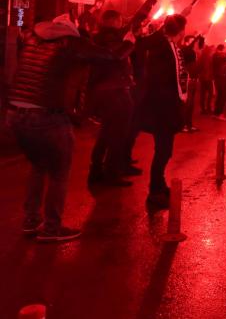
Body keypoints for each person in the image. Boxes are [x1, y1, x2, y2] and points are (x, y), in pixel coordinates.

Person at [8, 14, 134, 242]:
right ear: (70, 33)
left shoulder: (31, 38)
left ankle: (30, 221)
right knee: (59, 172)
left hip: (16, 114)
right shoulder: (69, 43)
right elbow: (111, 56)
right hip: (47, 115)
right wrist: (129, 42)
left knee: (38, 167)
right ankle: (51, 229)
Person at [87, 0, 159, 186]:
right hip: (116, 91)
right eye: (120, 21)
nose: (123, 24)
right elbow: (118, 55)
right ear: (114, 23)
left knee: (106, 132)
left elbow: (135, 20)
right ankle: (111, 172)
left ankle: (96, 171)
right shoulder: (111, 40)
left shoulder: (99, 37)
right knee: (117, 133)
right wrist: (130, 42)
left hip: (106, 91)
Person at [137, 15, 189, 210]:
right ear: (181, 31)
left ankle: (159, 185)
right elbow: (160, 80)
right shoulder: (163, 48)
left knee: (164, 151)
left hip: (166, 108)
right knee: (162, 151)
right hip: (162, 109)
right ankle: (154, 191)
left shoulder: (170, 48)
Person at [181, 34, 204, 133]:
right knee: (187, 104)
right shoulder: (184, 50)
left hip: (194, 80)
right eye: (192, 41)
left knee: (191, 105)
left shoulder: (194, 52)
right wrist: (198, 35)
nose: (195, 43)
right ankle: (183, 125)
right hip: (187, 81)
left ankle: (189, 124)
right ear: (186, 42)